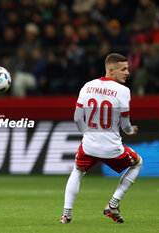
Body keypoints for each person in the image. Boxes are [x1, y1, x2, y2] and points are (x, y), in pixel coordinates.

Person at [60, 53, 142, 224]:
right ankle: (113, 204)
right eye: (123, 69)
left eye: (128, 69)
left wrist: (86, 134)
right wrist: (129, 130)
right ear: (111, 70)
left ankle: (66, 215)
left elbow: (76, 118)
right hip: (112, 148)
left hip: (89, 145)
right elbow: (125, 124)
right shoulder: (123, 91)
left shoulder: (87, 86)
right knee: (137, 162)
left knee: (77, 171)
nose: (127, 72)